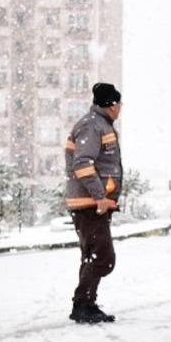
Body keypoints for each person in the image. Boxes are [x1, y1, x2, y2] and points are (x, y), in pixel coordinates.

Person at [64, 82, 124, 324]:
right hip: (89, 203)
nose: (120, 108)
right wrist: (100, 196)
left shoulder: (100, 124)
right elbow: (82, 164)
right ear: (112, 105)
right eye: (119, 103)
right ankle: (82, 304)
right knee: (103, 258)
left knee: (92, 255)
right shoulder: (92, 125)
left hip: (92, 202)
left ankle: (86, 304)